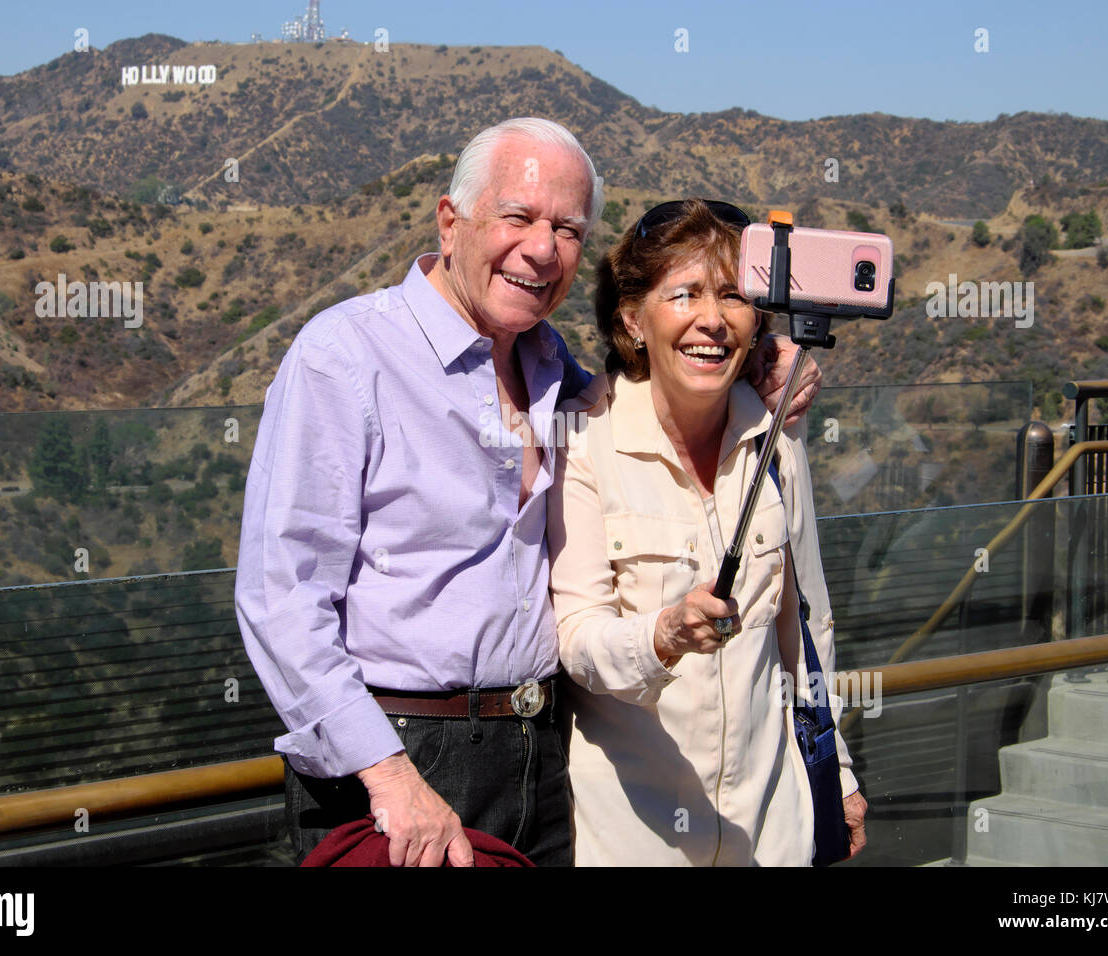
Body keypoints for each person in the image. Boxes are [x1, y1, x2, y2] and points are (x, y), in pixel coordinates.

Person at [234, 120, 822, 868]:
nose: (542, 249)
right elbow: (280, 596)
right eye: (517, 217)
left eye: (567, 229)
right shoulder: (343, 357)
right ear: (451, 223)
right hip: (398, 757)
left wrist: (766, 360)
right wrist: (387, 775)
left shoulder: (560, 377)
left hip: (543, 757)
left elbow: (670, 384)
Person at [547, 198, 867, 865]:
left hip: (772, 833)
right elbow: (577, 637)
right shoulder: (584, 441)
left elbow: (807, 627)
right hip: (637, 839)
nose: (712, 320)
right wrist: (660, 636)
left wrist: (836, 775)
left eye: (734, 296)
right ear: (634, 320)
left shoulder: (777, 441)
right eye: (684, 293)